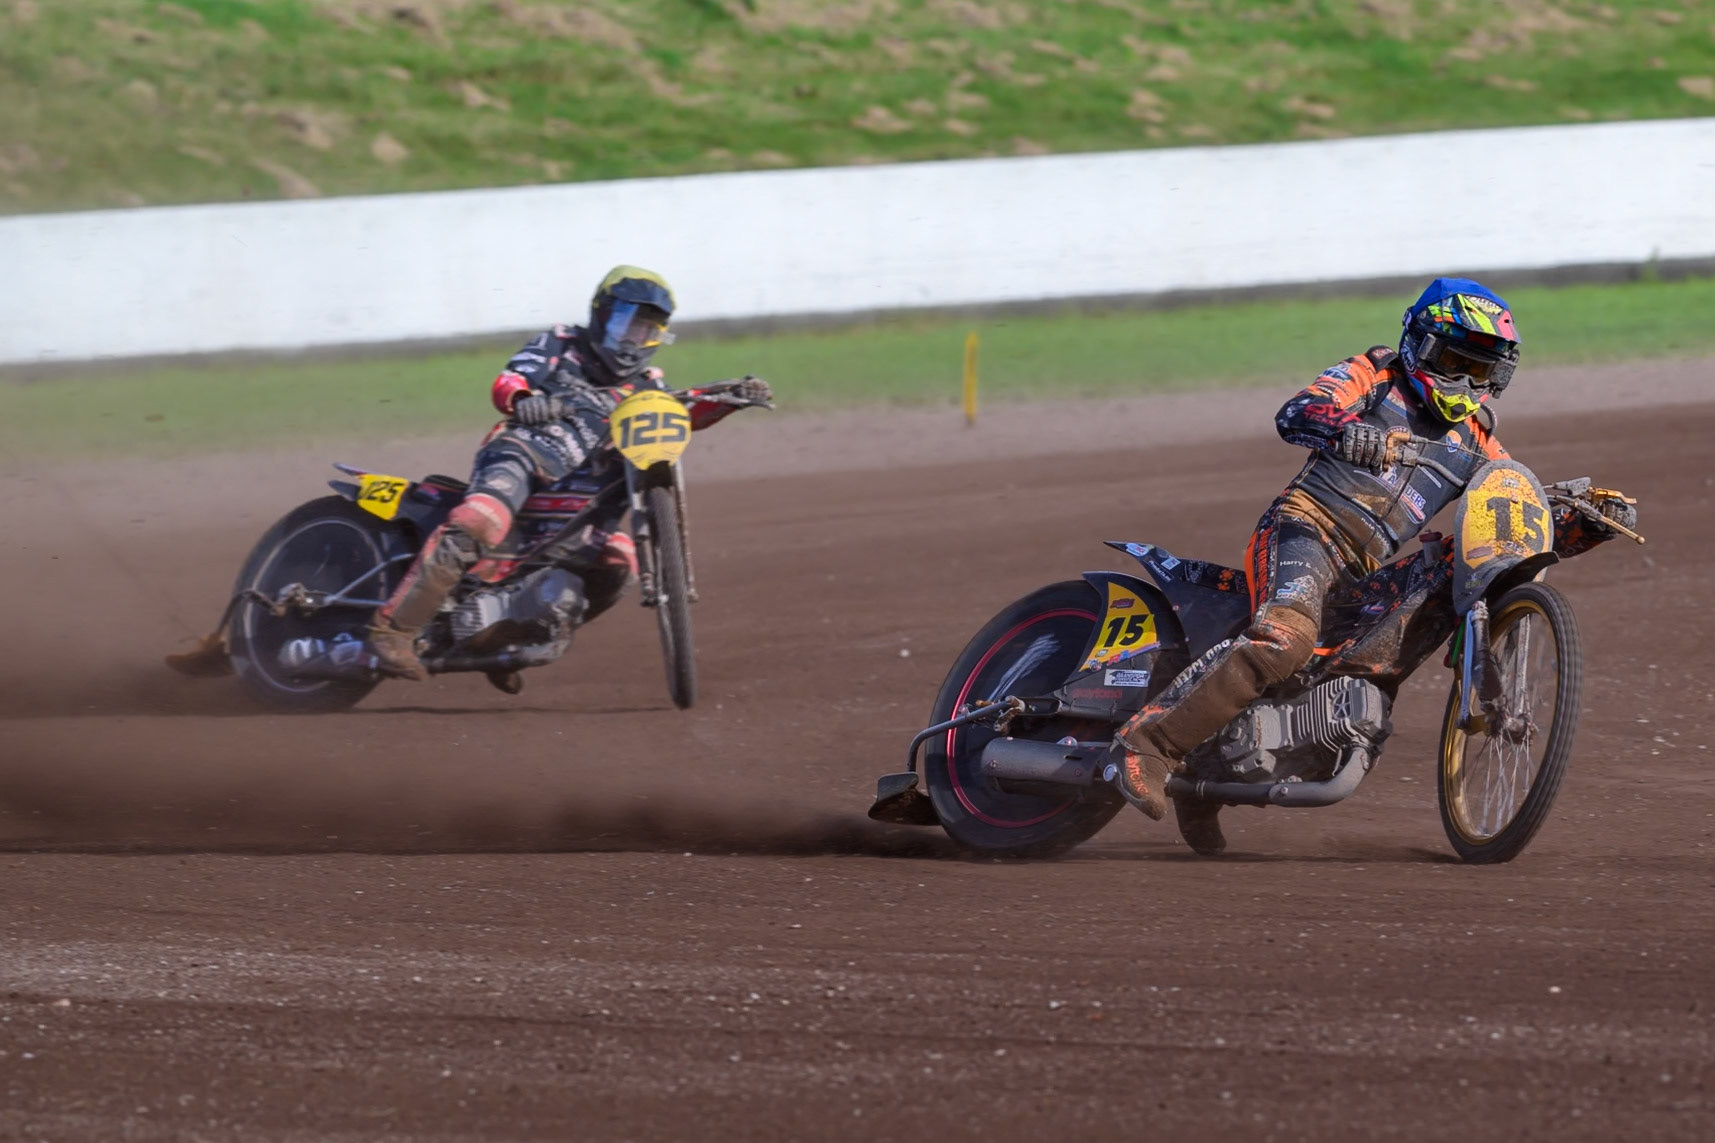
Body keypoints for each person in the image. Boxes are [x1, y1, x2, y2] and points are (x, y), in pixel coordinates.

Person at [1109, 278, 1639, 854]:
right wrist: (1347, 432)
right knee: (1285, 642)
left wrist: (1583, 523)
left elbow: (1506, 512)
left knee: (1346, 672)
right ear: (1419, 341)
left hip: (1361, 571)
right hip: (1304, 528)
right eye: (1453, 360)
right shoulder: (1373, 374)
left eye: (1479, 371)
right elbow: (1296, 414)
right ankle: (1150, 745)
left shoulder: (1479, 442)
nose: (1463, 381)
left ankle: (1208, 783)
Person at [367, 265, 771, 680]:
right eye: (625, 324)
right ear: (600, 315)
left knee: (619, 564)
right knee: (478, 521)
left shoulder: (647, 387)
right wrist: (525, 399)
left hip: (582, 493)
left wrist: (732, 397)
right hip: (522, 451)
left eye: (646, 331)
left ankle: (505, 635)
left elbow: (682, 413)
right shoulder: (560, 344)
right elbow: (510, 380)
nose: (633, 341)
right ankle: (394, 631)